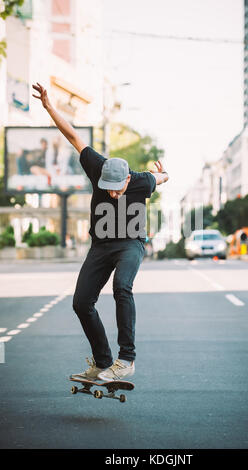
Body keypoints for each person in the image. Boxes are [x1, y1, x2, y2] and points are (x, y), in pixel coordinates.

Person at [32, 82, 169, 381]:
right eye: (106, 188)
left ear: (128, 180)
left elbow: (163, 177)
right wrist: (49, 107)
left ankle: (126, 359)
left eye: (116, 190)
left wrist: (164, 172)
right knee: (81, 303)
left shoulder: (142, 181)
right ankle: (102, 361)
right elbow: (73, 136)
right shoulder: (97, 166)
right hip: (100, 246)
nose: (111, 194)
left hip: (130, 244)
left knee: (122, 286)